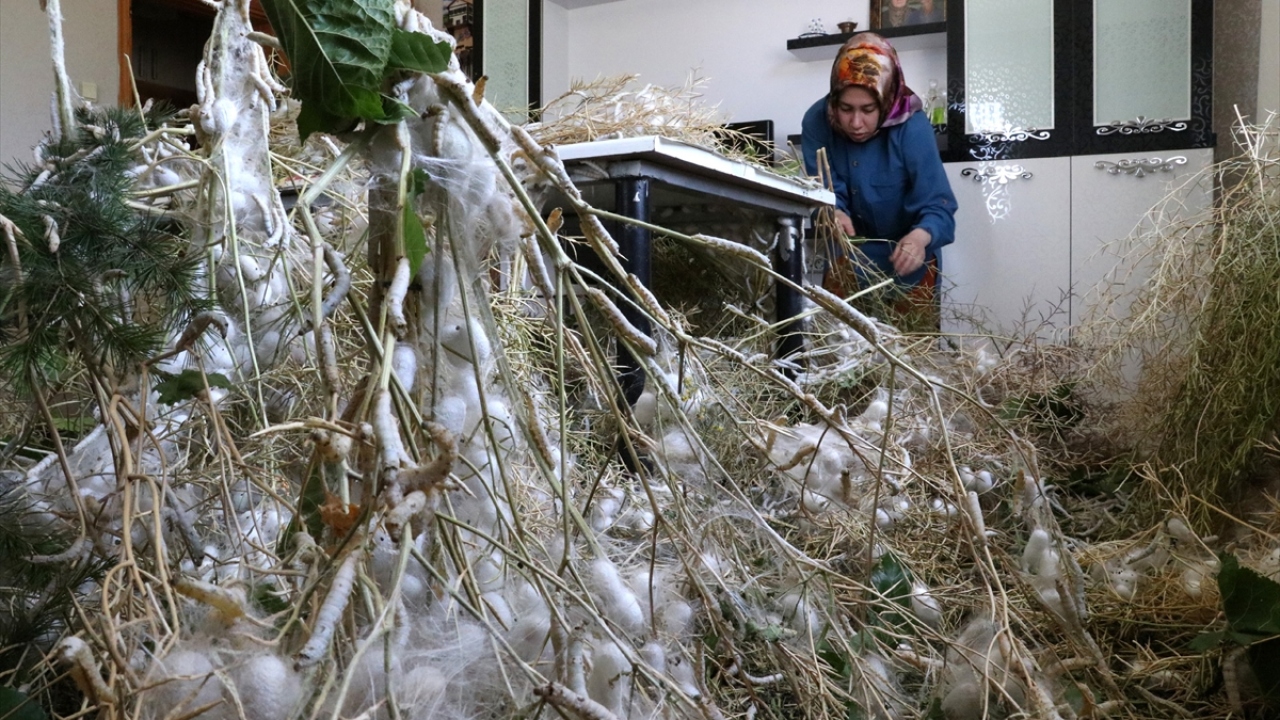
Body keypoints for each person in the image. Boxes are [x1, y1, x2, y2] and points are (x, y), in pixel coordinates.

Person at [801, 32, 956, 329]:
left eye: (868, 110)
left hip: (908, 263)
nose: (855, 123)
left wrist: (920, 237)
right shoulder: (817, 121)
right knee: (839, 353)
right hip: (848, 262)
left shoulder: (911, 125)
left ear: (885, 99)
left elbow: (939, 205)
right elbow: (821, 193)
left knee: (911, 362)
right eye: (845, 109)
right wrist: (832, 212)